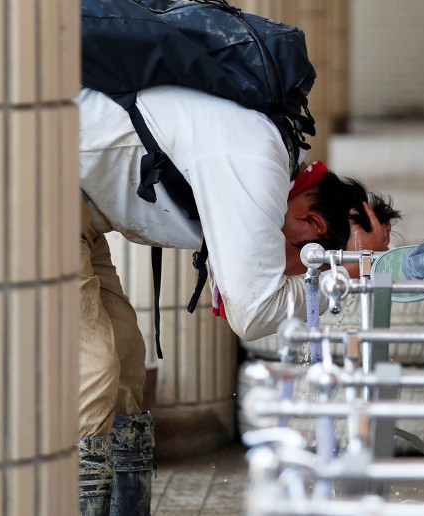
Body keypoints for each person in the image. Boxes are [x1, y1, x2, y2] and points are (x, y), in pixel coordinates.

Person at [75, 84, 401, 514]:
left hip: (81, 206)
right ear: (312, 222)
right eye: (318, 264)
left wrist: (350, 266)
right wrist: (344, 273)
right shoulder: (256, 165)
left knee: (127, 362)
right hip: (42, 181)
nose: (305, 274)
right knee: (95, 371)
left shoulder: (275, 164)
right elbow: (253, 312)